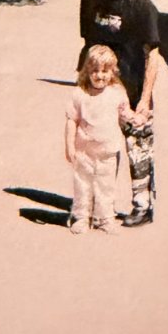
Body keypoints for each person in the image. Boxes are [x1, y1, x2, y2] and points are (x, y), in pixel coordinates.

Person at [79, 0, 160, 227]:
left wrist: (144, 101)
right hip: (100, 87)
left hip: (133, 87)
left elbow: (153, 55)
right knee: (98, 147)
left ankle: (142, 206)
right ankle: (100, 206)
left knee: (138, 149)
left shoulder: (141, 3)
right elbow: (88, 39)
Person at [64, 45, 134, 235]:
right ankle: (81, 217)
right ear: (87, 70)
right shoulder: (80, 94)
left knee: (106, 185)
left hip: (108, 150)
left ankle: (105, 218)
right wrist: (69, 146)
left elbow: (124, 113)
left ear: (113, 72)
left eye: (105, 71)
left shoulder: (117, 92)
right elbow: (71, 121)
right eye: (95, 71)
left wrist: (135, 117)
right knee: (83, 184)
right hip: (84, 150)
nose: (100, 76)